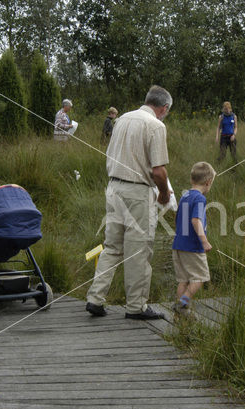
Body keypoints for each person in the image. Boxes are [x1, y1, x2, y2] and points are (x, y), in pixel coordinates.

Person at [85, 85, 173, 320]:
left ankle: (95, 298)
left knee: (112, 246)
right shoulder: (155, 125)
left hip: (113, 187)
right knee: (139, 250)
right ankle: (136, 306)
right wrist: (164, 194)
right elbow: (159, 171)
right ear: (164, 108)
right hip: (137, 191)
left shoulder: (122, 118)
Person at [171, 162, 215, 317]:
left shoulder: (185, 195)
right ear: (208, 182)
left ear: (192, 179)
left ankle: (181, 310)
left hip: (178, 244)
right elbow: (196, 220)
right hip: (193, 246)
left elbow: (178, 218)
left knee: (183, 279)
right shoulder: (200, 199)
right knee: (200, 278)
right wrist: (204, 241)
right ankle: (183, 302)